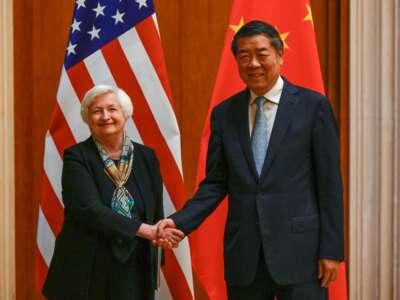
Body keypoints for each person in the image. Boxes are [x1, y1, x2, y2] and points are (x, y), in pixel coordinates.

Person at [158, 20, 344, 300]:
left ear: (280, 55)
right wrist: (179, 222)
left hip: (301, 253)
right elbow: (215, 183)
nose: (253, 63)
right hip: (245, 256)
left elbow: (329, 184)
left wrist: (331, 250)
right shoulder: (224, 114)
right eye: (244, 56)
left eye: (261, 54)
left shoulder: (313, 107)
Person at [42, 85, 183, 300]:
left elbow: (155, 208)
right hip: (88, 267)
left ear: (125, 114)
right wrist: (147, 231)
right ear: (87, 118)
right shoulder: (77, 156)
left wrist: (159, 240)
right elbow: (89, 210)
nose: (105, 116)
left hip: (136, 266)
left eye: (112, 109)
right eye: (97, 111)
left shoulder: (146, 157)